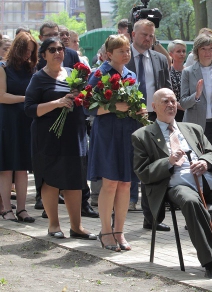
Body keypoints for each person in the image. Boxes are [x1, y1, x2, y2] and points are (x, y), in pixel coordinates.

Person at [132, 88, 212, 282]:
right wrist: (167, 162)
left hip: (207, 182)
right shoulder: (142, 135)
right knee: (191, 201)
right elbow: (143, 172)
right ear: (154, 106)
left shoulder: (193, 129)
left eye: (173, 101)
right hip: (177, 185)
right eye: (165, 101)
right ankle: (211, 264)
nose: (170, 105)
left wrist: (205, 162)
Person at [24, 37, 96, 240]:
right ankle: (54, 225)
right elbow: (29, 109)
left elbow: (86, 101)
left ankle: (77, 227)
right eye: (52, 49)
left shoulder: (74, 74)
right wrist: (57, 103)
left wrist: (83, 97)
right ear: (44, 54)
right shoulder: (38, 78)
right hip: (48, 136)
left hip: (74, 134)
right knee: (51, 178)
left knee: (75, 180)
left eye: (61, 49)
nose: (58, 53)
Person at [86, 34, 145, 251]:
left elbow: (136, 100)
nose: (127, 54)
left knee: (126, 184)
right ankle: (106, 231)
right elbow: (87, 106)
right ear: (109, 54)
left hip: (128, 132)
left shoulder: (130, 74)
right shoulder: (99, 74)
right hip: (107, 134)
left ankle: (119, 231)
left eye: (128, 50)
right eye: (121, 51)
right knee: (110, 183)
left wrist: (140, 109)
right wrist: (113, 107)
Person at [126, 19, 172, 227]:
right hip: (128, 118)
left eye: (151, 35)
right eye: (144, 34)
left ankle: (152, 217)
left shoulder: (160, 59)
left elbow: (167, 89)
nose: (148, 39)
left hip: (154, 118)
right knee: (128, 165)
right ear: (133, 35)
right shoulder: (123, 58)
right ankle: (118, 214)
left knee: (155, 168)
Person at [0, 32, 38, 222]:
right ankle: (7, 209)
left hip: (25, 121)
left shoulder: (31, 69)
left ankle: (22, 209)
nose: (27, 55)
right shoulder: (3, 68)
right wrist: (26, 99)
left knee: (22, 168)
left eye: (31, 52)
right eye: (25, 51)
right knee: (7, 167)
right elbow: (2, 96)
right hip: (8, 121)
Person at [167, 39, 187, 122]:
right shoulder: (168, 72)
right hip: (173, 112)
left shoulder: (189, 71)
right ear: (171, 54)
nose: (182, 54)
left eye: (183, 51)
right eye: (178, 51)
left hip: (188, 112)